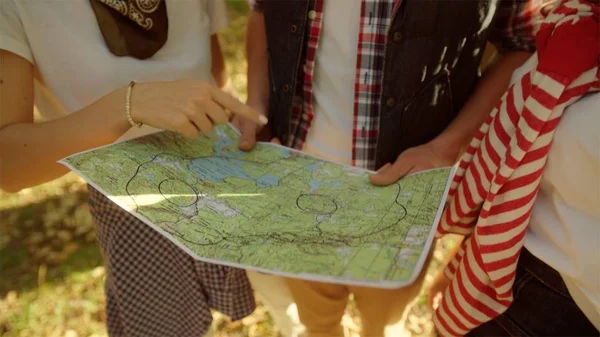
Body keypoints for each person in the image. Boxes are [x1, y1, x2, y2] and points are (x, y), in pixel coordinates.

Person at [236, 0, 550, 336]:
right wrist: (257, 100)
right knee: (317, 317)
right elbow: (261, 11)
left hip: (403, 192)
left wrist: (449, 145)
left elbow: (522, 43)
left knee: (383, 321)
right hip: (298, 177)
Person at [0, 1, 265, 336]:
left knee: (306, 305)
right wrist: (128, 105)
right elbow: (8, 166)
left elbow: (214, 75)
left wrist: (237, 112)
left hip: (226, 175)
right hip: (134, 209)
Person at [428, 0, 600, 335]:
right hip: (508, 264)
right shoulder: (579, 25)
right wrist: (462, 265)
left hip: (576, 310)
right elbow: (521, 171)